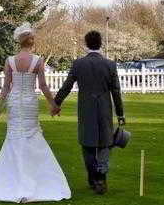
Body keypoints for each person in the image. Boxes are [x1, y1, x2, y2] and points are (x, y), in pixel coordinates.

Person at [0, 23, 71, 203]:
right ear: (31, 41)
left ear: (19, 42)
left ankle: (13, 180)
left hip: (15, 103)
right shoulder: (38, 61)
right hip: (29, 102)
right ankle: (37, 181)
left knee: (14, 137)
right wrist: (53, 104)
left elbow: (6, 87)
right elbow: (42, 85)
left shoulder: (10, 61)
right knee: (32, 136)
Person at [52, 30, 125, 195]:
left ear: (86, 44)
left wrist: (56, 103)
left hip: (86, 110)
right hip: (104, 109)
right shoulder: (110, 65)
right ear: (101, 44)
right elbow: (116, 92)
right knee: (105, 144)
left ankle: (94, 178)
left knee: (87, 145)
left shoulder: (78, 64)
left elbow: (67, 86)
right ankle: (101, 178)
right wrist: (120, 114)